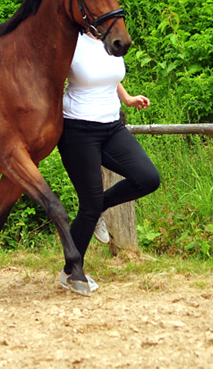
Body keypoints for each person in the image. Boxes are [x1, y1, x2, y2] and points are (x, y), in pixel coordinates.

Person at [57, 32, 161, 292]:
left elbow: (107, 73)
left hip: (112, 127)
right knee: (89, 205)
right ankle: (71, 272)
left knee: (147, 179)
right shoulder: (72, 40)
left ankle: (96, 209)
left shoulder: (111, 38)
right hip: (77, 129)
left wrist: (126, 98)